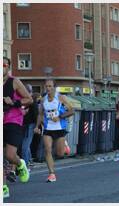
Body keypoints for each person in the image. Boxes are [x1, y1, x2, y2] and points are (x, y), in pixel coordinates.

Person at [3, 57, 32, 198]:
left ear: (8, 67)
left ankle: (20, 163)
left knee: (9, 155)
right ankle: (3, 188)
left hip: (13, 121)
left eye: (4, 64)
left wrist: (14, 102)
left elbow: (29, 99)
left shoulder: (14, 81)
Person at [34, 79, 74, 182]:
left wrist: (60, 117)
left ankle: (64, 145)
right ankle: (51, 174)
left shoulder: (61, 98)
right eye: (46, 86)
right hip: (48, 128)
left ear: (54, 87)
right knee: (47, 149)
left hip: (59, 128)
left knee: (60, 154)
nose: (48, 88)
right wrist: (37, 126)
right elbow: (41, 114)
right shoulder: (43, 100)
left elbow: (71, 111)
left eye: (50, 86)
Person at [22, 84, 39, 168]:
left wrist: (37, 126)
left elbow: (37, 115)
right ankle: (29, 161)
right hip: (26, 125)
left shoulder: (32, 102)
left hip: (30, 125)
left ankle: (25, 164)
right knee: (26, 145)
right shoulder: (29, 101)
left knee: (24, 146)